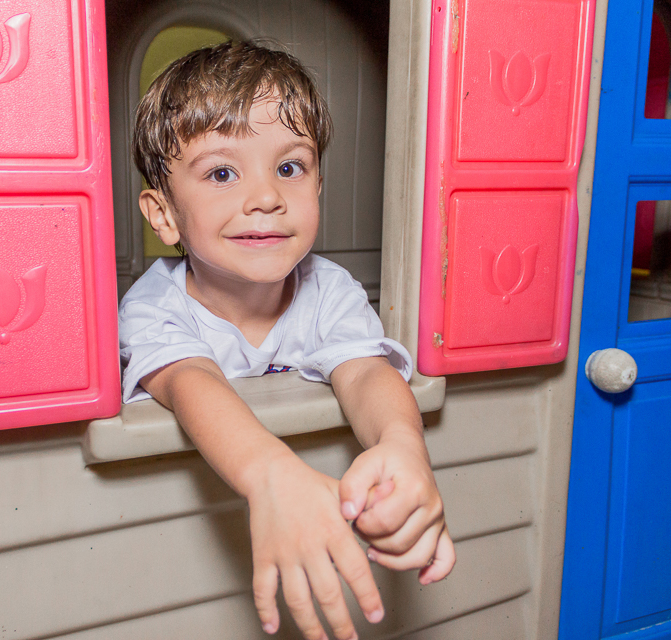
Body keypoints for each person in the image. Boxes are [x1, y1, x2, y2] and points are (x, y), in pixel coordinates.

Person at [121, 40, 454, 640]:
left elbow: (364, 371)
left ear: (318, 186)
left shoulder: (328, 288)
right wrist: (270, 475)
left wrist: (405, 446)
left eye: (290, 167)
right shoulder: (152, 305)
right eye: (222, 173)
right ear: (164, 213)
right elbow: (189, 380)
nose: (267, 197)